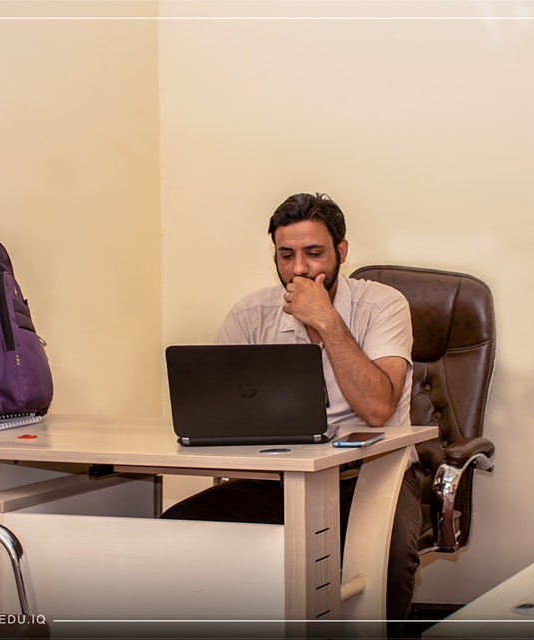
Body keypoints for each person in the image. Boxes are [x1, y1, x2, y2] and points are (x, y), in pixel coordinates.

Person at [162, 192, 424, 636]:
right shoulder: (251, 314)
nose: (299, 268)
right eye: (286, 255)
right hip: (280, 481)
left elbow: (378, 409)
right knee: (174, 532)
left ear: (341, 251)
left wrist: (327, 320)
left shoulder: (383, 305)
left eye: (313, 253)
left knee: (390, 560)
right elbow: (215, 410)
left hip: (370, 478)